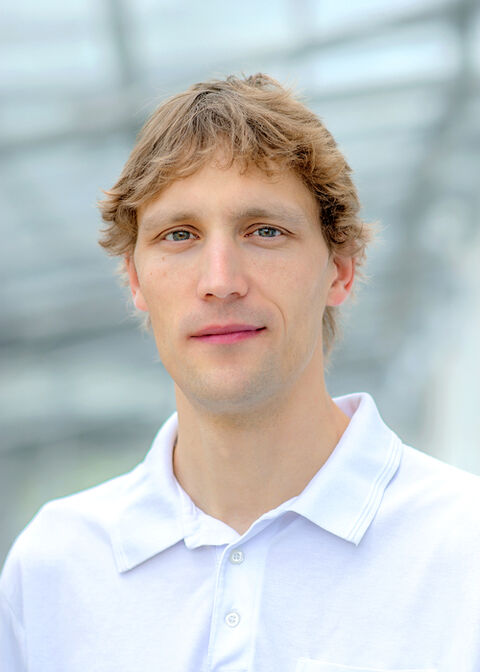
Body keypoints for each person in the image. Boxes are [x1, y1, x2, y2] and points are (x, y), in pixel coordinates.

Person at [1, 73, 479, 672]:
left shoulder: (464, 549)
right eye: (179, 235)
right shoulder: (54, 569)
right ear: (135, 279)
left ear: (341, 269)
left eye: (265, 231)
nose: (221, 280)